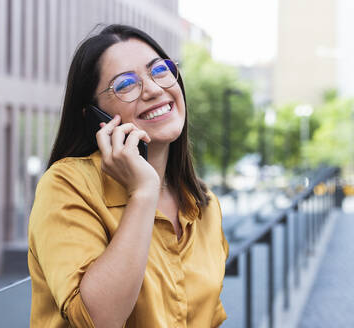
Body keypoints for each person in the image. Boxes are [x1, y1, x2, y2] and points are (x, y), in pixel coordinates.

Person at [27, 24, 229, 328]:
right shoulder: (67, 185)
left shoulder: (203, 204)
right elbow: (97, 320)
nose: (153, 89)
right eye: (125, 84)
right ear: (95, 115)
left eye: (159, 70)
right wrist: (144, 193)